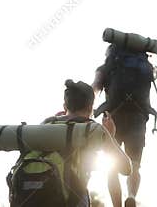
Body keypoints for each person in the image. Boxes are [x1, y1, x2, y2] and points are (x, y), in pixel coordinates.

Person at [42, 79, 132, 207]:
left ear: (65, 107)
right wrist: (110, 136)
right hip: (70, 200)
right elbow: (126, 168)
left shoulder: (46, 124)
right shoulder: (92, 130)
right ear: (90, 108)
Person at [92, 45, 150, 207]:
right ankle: (131, 195)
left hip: (112, 120)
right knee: (135, 165)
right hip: (137, 119)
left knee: (111, 167)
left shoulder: (107, 67)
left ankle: (117, 205)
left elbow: (95, 87)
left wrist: (85, 106)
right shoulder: (143, 67)